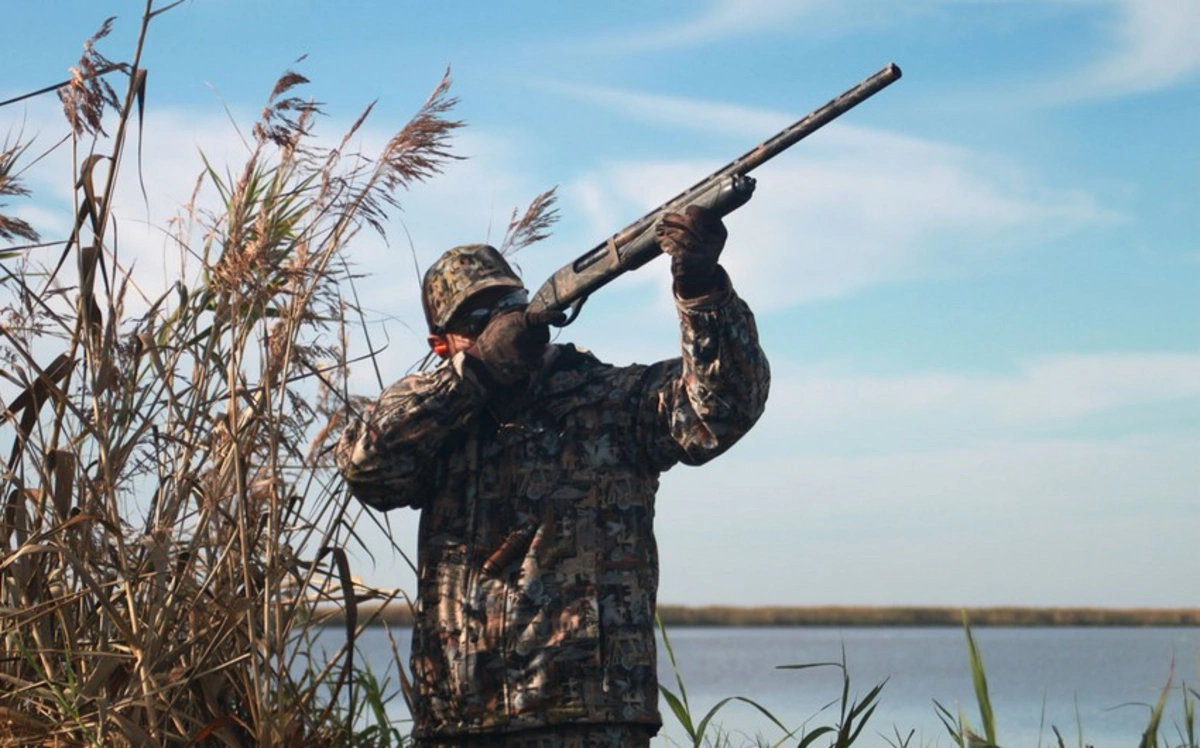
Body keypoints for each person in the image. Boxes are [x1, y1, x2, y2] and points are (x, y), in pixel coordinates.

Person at [335, 205, 770, 747]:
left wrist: (703, 293)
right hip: (458, 724)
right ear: (441, 346)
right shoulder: (439, 427)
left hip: (590, 720)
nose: (499, 323)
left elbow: (723, 409)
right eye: (476, 321)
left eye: (508, 306)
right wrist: (468, 379)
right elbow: (365, 468)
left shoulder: (610, 399)